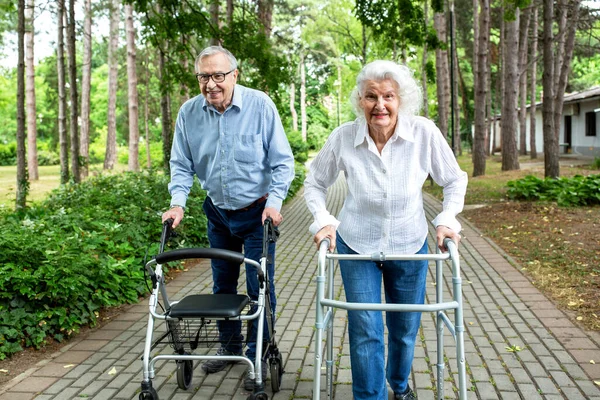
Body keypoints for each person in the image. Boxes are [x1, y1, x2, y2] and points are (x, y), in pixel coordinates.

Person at [304, 60, 467, 400]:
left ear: (401, 100)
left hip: (409, 244)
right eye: (371, 97)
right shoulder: (344, 137)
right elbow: (315, 183)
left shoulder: (423, 133)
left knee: (405, 329)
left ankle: (400, 382)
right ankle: (370, 396)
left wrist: (447, 218)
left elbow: (454, 179)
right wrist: (323, 220)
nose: (380, 105)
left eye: (388, 96)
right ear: (360, 101)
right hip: (356, 245)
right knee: (366, 328)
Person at [162, 46, 295, 390]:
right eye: (204, 76)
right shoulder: (189, 113)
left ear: (235, 75)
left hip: (257, 213)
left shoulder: (260, 106)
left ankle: (258, 353)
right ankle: (230, 347)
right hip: (218, 213)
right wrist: (178, 203)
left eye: (218, 75)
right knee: (222, 285)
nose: (211, 84)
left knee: (258, 286)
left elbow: (283, 161)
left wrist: (276, 202)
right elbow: (181, 164)